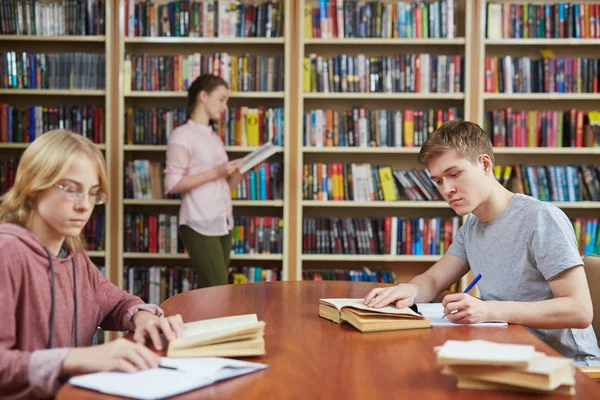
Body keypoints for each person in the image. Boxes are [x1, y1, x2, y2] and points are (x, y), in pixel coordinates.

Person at [363, 119, 600, 366]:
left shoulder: (540, 219)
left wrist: (488, 310)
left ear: (484, 164)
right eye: (438, 181)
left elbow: (580, 310)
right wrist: (408, 290)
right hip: (509, 352)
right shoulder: (472, 228)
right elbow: (433, 280)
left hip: (566, 364)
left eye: (454, 174)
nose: (447, 189)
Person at [0, 130, 184, 399]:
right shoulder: (8, 252)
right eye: (71, 190)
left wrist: (142, 318)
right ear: (33, 185)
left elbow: (115, 302)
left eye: (93, 194)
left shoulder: (72, 253)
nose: (85, 206)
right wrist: (76, 358)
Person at [164, 74, 245, 288]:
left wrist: (240, 174)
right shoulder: (181, 135)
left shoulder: (213, 138)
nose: (225, 106)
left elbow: (221, 187)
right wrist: (216, 172)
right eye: (221, 99)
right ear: (203, 96)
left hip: (223, 222)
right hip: (199, 223)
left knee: (212, 292)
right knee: (218, 289)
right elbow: (172, 184)